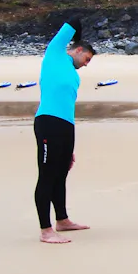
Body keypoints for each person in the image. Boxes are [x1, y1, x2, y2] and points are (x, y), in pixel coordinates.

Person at [33, 20, 95, 244]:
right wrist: (78, 38)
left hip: (66, 125)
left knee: (61, 173)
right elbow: (75, 21)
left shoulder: (71, 71)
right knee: (47, 175)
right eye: (87, 59)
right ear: (78, 50)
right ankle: (46, 230)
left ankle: (62, 220)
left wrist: (69, 146)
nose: (86, 64)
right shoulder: (55, 54)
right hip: (48, 122)